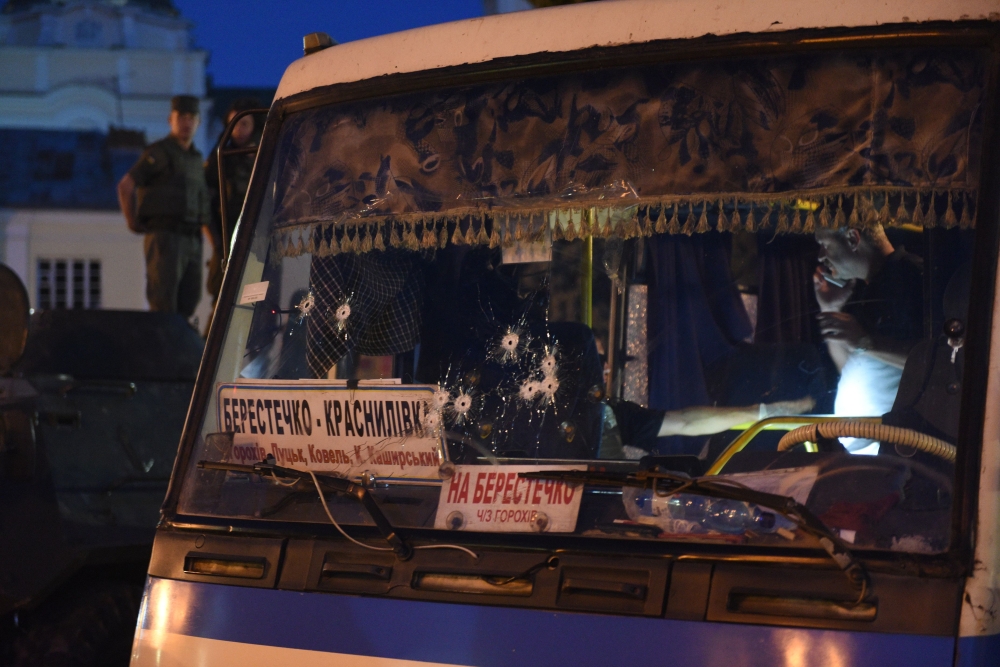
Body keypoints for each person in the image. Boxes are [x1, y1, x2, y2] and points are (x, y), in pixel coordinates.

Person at [813, 224, 923, 452]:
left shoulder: (910, 278)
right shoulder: (869, 287)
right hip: (860, 448)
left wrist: (865, 342)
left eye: (825, 245)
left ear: (853, 238)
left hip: (890, 448)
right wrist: (830, 308)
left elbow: (933, 363)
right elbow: (854, 368)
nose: (821, 256)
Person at [117, 95, 209, 318]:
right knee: (163, 303)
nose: (186, 123)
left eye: (191, 118)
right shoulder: (158, 152)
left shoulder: (196, 159)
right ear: (171, 120)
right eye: (181, 117)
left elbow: (203, 205)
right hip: (164, 236)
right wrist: (132, 222)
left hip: (191, 238)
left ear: (198, 122)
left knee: (189, 301)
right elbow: (126, 186)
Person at [204, 97, 262, 310]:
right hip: (227, 237)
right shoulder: (221, 156)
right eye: (234, 124)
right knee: (222, 300)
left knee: (255, 296)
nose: (238, 129)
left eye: (244, 124)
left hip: (257, 237)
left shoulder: (263, 155)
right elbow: (205, 200)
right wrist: (217, 242)